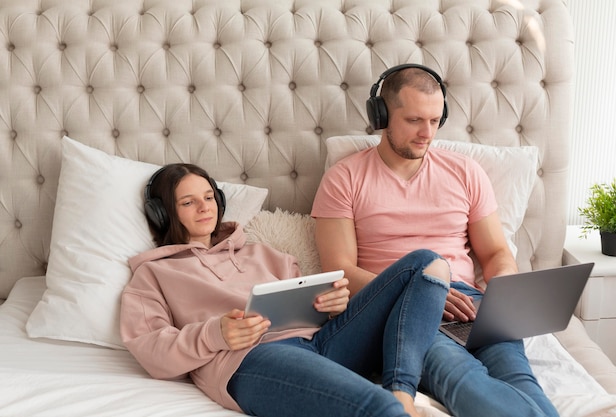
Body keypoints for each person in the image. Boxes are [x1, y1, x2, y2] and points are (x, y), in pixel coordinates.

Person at [311, 64, 559, 417]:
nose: (426, 133)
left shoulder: (465, 171)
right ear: (381, 115)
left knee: (521, 380)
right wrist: (424, 292)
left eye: (434, 120)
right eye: (414, 120)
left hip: (471, 303)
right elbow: (339, 271)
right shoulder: (344, 179)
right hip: (405, 311)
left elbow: (495, 252)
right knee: (463, 379)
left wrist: (502, 294)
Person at [120, 163, 451, 417]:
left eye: (209, 197)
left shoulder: (264, 253)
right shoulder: (153, 274)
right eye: (189, 202)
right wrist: (215, 334)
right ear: (162, 214)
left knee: (426, 264)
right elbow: (152, 353)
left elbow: (305, 307)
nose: (205, 207)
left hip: (324, 342)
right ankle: (396, 406)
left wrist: (332, 306)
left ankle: (403, 392)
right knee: (377, 409)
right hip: (253, 360)